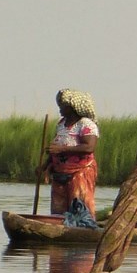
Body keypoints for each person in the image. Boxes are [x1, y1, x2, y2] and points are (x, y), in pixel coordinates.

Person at [42, 89, 100, 228]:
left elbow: (88, 147)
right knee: (58, 210)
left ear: (73, 107)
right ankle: (61, 230)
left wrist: (62, 149)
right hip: (60, 173)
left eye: (63, 106)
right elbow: (55, 149)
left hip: (80, 172)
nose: (60, 108)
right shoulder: (61, 123)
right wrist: (45, 167)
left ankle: (83, 230)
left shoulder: (86, 125)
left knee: (79, 206)